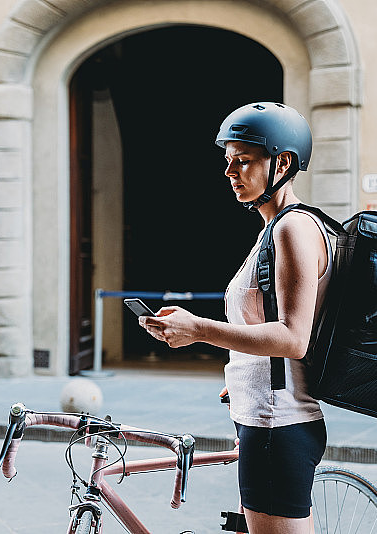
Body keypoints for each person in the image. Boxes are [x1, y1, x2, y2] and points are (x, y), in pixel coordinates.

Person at [139, 102, 331, 534]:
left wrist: (199, 329)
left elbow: (294, 337)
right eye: (228, 162)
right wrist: (243, 370)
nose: (230, 173)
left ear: (283, 163)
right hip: (265, 418)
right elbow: (269, 328)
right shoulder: (274, 227)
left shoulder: (292, 229)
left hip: (277, 424)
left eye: (243, 162)